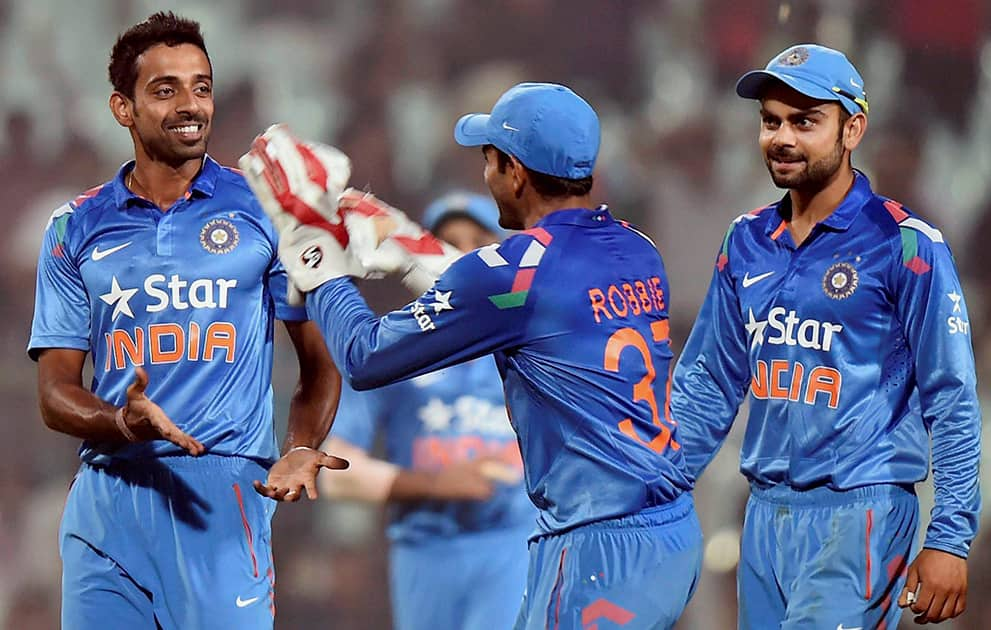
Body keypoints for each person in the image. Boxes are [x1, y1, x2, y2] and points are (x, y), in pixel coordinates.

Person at [241, 82, 703, 629]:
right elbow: (532, 297)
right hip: (670, 532)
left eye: (488, 158)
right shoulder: (635, 247)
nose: (485, 173)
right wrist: (406, 244)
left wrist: (315, 252)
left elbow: (366, 358)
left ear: (514, 171)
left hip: (599, 546)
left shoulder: (512, 275)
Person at [27, 12, 345, 630]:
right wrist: (121, 421)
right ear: (123, 108)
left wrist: (301, 446)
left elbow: (319, 364)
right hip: (107, 500)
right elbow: (54, 393)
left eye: (201, 86)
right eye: (165, 89)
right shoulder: (73, 226)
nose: (190, 105)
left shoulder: (267, 210)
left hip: (221, 497)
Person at [670, 44, 981, 629]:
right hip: (763, 517)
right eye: (770, 121)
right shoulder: (746, 240)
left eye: (805, 121)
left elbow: (952, 396)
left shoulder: (906, 245)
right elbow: (708, 384)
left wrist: (950, 537)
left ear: (852, 128)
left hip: (859, 513)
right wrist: (657, 491)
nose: (782, 138)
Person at [321, 192, 537, 630]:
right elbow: (336, 475)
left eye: (479, 240)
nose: (462, 252)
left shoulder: (532, 341)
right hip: (422, 552)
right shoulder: (393, 345)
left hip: (514, 544)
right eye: (448, 241)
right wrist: (437, 483)